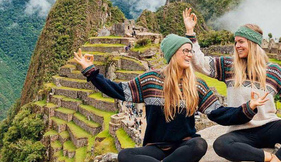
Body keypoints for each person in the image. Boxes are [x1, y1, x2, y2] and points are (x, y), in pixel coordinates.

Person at [74, 34, 268, 162]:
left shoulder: (197, 86)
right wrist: (91, 72)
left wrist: (248, 108)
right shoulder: (150, 80)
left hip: (184, 146)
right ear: (172, 54)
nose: (189, 55)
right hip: (155, 148)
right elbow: (118, 90)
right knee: (125, 155)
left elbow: (219, 113)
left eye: (190, 51)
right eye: (185, 51)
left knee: (199, 144)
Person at [183, 8, 281, 162]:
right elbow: (200, 63)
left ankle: (279, 159)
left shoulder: (273, 71)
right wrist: (190, 32)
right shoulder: (228, 66)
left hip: (270, 127)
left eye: (241, 41)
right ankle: (268, 157)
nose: (237, 45)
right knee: (221, 144)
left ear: (253, 43)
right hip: (241, 132)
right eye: (235, 42)